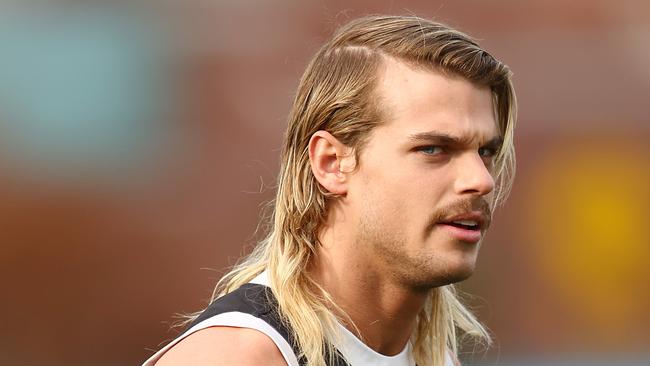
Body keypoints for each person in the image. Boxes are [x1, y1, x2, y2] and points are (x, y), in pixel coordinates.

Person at [143, 14, 516, 366]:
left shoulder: (435, 358)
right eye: (433, 149)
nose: (481, 179)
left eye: (486, 152)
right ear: (331, 163)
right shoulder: (236, 356)